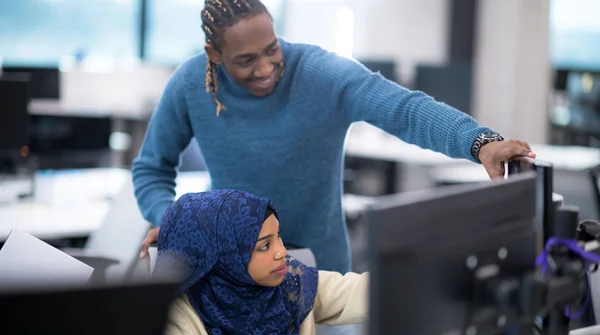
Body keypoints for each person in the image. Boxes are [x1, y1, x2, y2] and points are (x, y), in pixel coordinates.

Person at [133, 0, 536, 275]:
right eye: (246, 60)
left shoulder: (320, 72)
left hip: (322, 274)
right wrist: (171, 220)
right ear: (214, 53)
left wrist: (479, 141)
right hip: (234, 272)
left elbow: (404, 109)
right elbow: (152, 168)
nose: (266, 68)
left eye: (271, 49)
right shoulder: (190, 83)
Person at [156, 189, 368, 335]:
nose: (282, 252)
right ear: (224, 259)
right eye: (264, 246)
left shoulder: (293, 285)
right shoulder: (177, 322)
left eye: (279, 237)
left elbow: (366, 291)